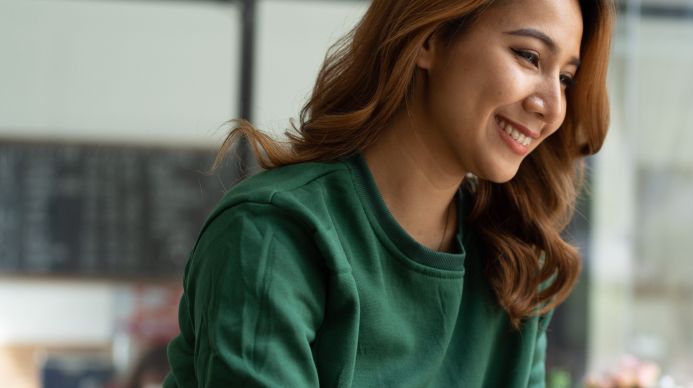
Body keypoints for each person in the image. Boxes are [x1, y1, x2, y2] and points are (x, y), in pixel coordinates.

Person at [162, 0, 613, 386]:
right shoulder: (273, 236)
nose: (551, 106)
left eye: (566, 79)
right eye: (529, 56)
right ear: (428, 38)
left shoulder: (516, 267)